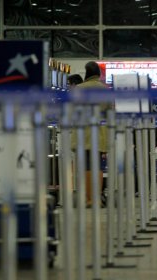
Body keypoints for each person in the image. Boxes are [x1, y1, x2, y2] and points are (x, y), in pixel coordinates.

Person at [71, 61, 109, 207]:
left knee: (85, 166)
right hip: (99, 132)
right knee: (98, 166)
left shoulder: (78, 89)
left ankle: (88, 199)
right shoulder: (105, 89)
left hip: (82, 131)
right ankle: (96, 198)